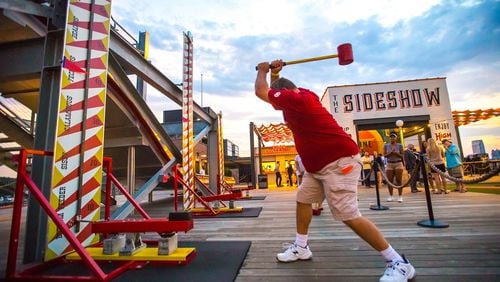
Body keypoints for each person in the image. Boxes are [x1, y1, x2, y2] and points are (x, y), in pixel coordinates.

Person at [255, 59, 415, 282]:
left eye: (277, 99)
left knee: (348, 215)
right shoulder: (296, 95)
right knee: (303, 200)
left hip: (339, 162)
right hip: (317, 166)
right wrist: (275, 74)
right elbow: (274, 94)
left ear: (285, 94)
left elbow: (261, 92)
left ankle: (398, 262)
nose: (276, 105)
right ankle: (301, 247)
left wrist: (263, 70)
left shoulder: (299, 100)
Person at [384, 132, 405, 202]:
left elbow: (402, 155)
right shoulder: (386, 145)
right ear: (389, 138)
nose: (392, 138)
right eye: (391, 137)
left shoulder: (400, 145)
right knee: (390, 181)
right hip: (389, 163)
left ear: (396, 138)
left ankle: (400, 196)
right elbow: (385, 155)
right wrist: (390, 153)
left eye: (393, 137)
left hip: (398, 162)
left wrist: (396, 153)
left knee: (399, 180)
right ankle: (391, 196)